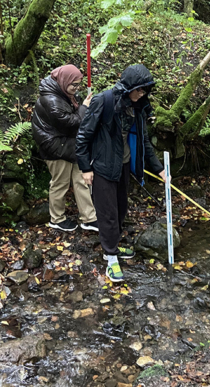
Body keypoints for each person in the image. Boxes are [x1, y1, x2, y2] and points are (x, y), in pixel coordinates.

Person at [76, 64, 165, 282]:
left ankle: (113, 246)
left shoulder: (137, 107)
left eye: (145, 90)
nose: (142, 94)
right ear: (129, 87)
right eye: (139, 89)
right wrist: (85, 168)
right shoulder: (103, 101)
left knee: (121, 208)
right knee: (107, 213)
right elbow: (83, 136)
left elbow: (143, 141)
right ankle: (111, 258)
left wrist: (160, 169)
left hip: (123, 165)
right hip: (102, 167)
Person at [32, 64, 98, 233]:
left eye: (78, 85)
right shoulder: (52, 100)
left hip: (69, 143)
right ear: (64, 81)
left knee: (81, 178)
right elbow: (71, 122)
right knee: (60, 183)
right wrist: (84, 107)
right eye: (74, 85)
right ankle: (57, 219)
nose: (76, 88)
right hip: (55, 147)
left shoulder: (64, 93)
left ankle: (89, 218)